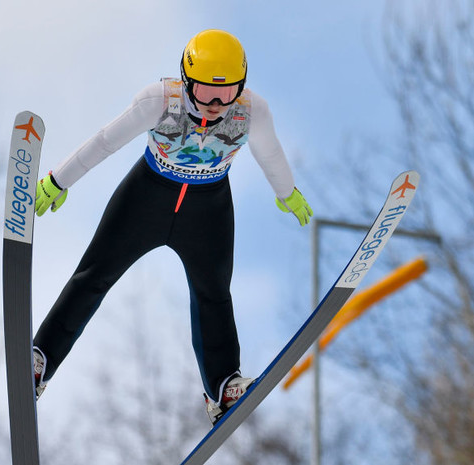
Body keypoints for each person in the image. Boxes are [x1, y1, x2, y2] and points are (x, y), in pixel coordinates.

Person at [30, 29, 312, 424]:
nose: (216, 104)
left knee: (213, 293)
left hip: (207, 210)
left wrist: (287, 192)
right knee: (93, 276)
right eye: (204, 91)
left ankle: (223, 387)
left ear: (241, 87)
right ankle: (40, 359)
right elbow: (105, 142)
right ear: (185, 79)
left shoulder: (253, 112)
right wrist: (59, 180)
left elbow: (270, 154)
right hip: (147, 197)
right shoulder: (159, 101)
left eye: (227, 93)